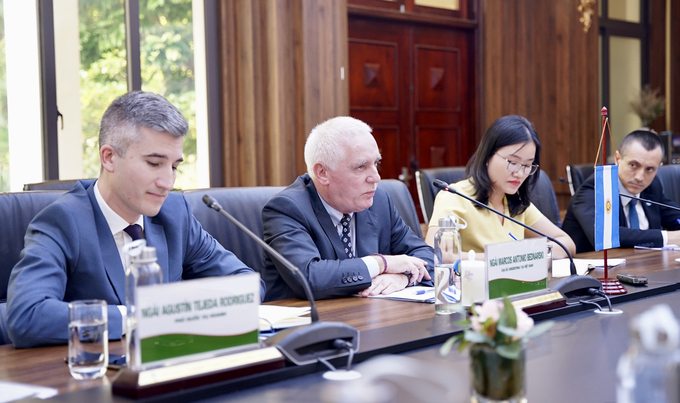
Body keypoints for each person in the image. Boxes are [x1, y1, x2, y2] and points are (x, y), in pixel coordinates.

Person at [7, 92, 264, 348]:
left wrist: (185, 311)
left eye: (174, 166)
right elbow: (27, 315)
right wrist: (138, 318)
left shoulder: (175, 213)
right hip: (95, 374)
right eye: (154, 163)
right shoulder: (62, 220)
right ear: (109, 158)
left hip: (172, 366)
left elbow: (246, 284)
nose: (168, 183)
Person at [262, 116, 433, 302]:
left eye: (376, 163)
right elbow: (310, 277)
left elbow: (428, 256)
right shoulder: (286, 209)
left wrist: (402, 277)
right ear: (323, 173)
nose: (375, 177)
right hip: (307, 324)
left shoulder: (379, 201)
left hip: (370, 318)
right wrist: (382, 263)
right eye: (361, 167)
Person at [425, 115, 575, 258]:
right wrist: (503, 260)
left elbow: (566, 243)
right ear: (487, 156)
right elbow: (436, 253)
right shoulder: (455, 197)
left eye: (528, 165)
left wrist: (533, 257)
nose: (520, 173)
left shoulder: (517, 203)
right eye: (513, 162)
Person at [562, 130, 680, 252]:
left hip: (645, 265)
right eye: (633, 165)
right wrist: (669, 237)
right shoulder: (594, 189)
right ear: (617, 159)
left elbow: (674, 217)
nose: (640, 177)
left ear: (658, 168)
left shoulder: (652, 186)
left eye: (650, 169)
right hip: (595, 268)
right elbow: (605, 235)